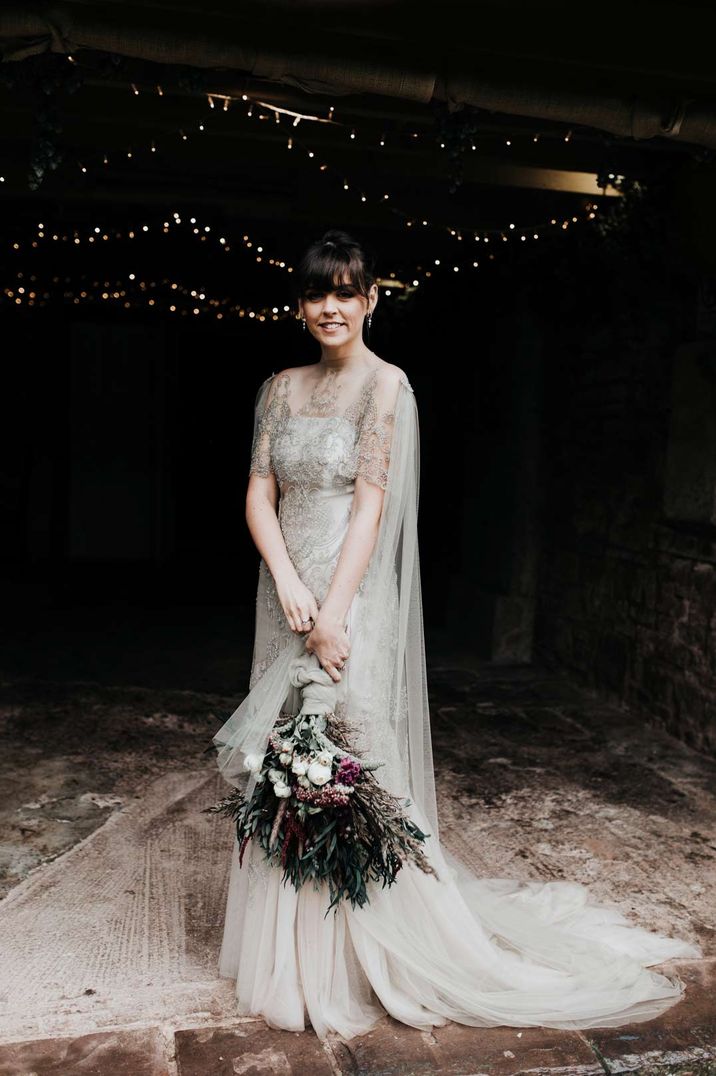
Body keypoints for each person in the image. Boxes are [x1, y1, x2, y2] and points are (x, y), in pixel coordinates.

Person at [211, 228, 702, 1042]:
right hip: (286, 594)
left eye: (346, 291)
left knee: (347, 757)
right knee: (285, 762)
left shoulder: (387, 386)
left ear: (371, 300)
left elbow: (370, 505)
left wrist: (333, 610)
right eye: (315, 292)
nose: (329, 306)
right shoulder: (278, 388)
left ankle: (370, 951)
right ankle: (291, 959)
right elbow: (259, 492)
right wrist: (290, 585)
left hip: (349, 597)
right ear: (300, 305)